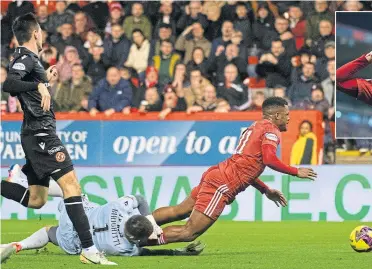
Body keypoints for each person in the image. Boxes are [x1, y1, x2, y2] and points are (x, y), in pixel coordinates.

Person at [0, 13, 114, 265]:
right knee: (71, 186)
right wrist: (38, 86)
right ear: (35, 33)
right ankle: (89, 250)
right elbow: (9, 83)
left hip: (34, 133)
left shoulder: (31, 61)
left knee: (37, 200)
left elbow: (26, 89)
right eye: (41, 31)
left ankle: (10, 180)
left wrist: (44, 81)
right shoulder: (24, 57)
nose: (43, 35)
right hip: (41, 134)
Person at [135, 97, 317, 247]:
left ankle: (136, 225)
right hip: (222, 184)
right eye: (286, 115)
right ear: (276, 115)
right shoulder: (271, 131)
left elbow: (246, 166)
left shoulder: (255, 126)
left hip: (217, 174)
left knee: (179, 210)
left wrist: (265, 190)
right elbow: (269, 159)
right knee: (189, 232)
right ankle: (137, 241)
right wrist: (295, 171)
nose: (288, 118)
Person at [1, 169, 204, 257]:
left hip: (78, 216)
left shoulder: (119, 208)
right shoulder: (125, 249)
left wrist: (150, 219)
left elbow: (140, 200)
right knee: (48, 232)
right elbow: (148, 250)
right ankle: (18, 245)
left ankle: (21, 181)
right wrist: (176, 251)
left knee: (70, 191)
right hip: (75, 241)